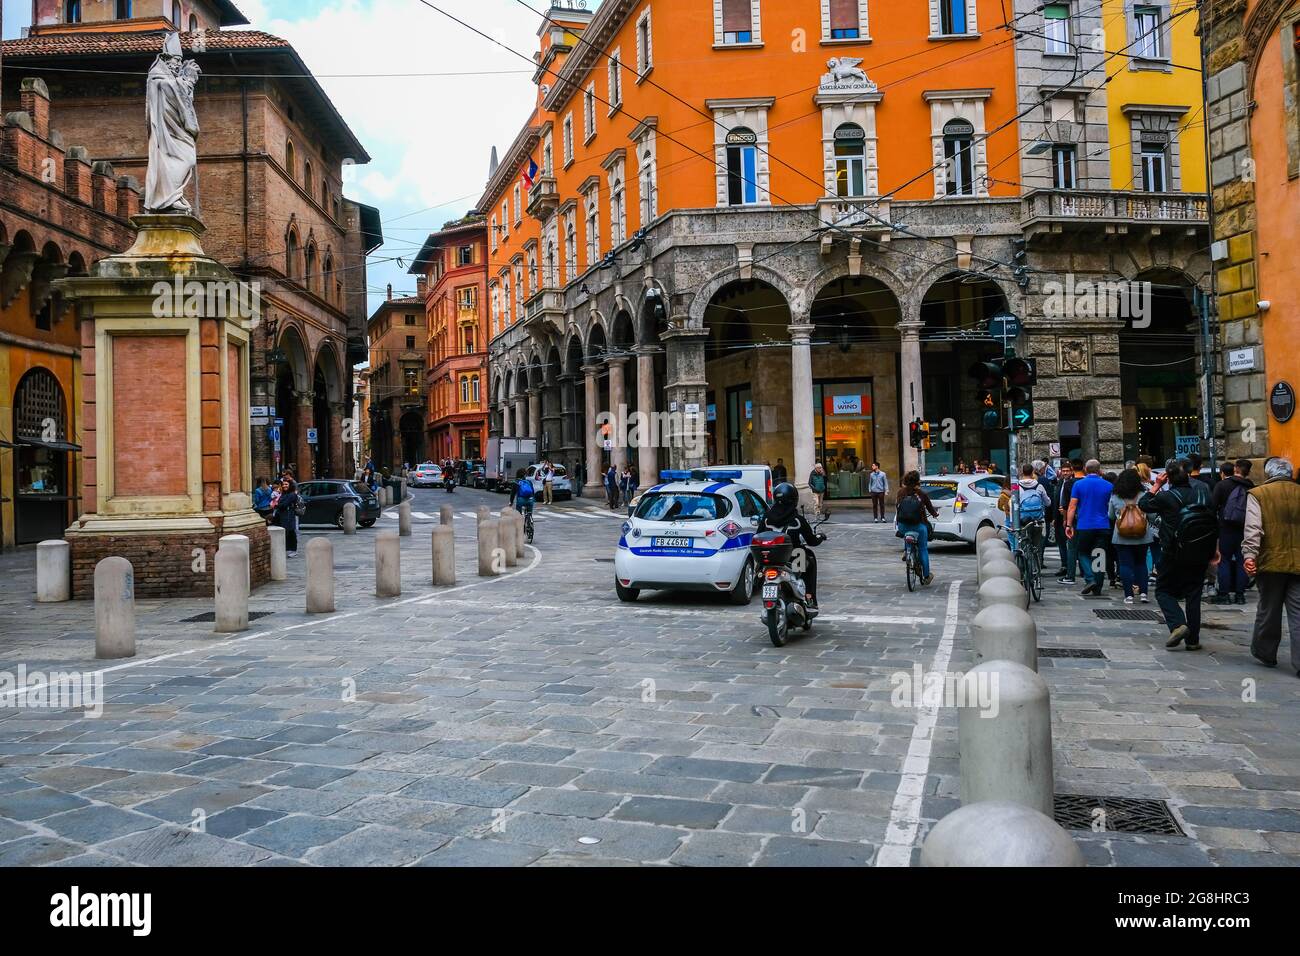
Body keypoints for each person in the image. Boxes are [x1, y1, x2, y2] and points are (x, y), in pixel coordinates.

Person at [1140, 461, 1219, 651]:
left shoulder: (1167, 497)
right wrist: (1215, 548)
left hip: (1173, 552)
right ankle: (1193, 640)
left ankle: (1177, 624)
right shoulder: (1204, 493)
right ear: (1189, 476)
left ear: (1168, 477)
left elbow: (1144, 504)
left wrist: (1156, 485)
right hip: (1200, 551)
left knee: (1163, 590)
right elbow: (1214, 521)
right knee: (1194, 595)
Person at [1242, 457, 1300, 674]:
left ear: (1268, 474)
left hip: (1270, 562)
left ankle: (1265, 651)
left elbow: (1253, 528)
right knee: (1299, 613)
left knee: (1268, 609)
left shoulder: (1258, 494)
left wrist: (1249, 555)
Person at [759, 482, 826, 607]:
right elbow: (811, 541)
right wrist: (820, 537)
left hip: (770, 558)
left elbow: (758, 535)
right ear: (793, 499)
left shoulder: (767, 518)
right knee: (809, 561)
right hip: (794, 556)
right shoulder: (797, 520)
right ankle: (809, 597)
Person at [1066, 460, 1113, 598]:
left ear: (1086, 469)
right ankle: (1098, 586)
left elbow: (1072, 506)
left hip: (1085, 524)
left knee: (1083, 553)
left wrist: (1069, 524)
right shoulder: (1109, 485)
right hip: (1103, 524)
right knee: (1099, 555)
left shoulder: (1078, 484)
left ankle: (1090, 578)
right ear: (1099, 470)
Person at [1211, 459, 1254, 605]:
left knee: (1224, 560)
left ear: (1235, 469)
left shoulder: (1222, 485)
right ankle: (1240, 595)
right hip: (1245, 528)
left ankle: (1224, 594)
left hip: (1226, 528)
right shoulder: (1251, 487)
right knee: (1242, 560)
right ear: (1248, 471)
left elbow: (1212, 506)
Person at [1109, 468, 1154, 605]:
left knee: (1125, 564)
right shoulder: (1143, 494)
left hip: (1121, 536)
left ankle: (1128, 595)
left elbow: (1110, 515)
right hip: (1142, 535)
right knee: (1141, 564)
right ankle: (1144, 593)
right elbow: (1152, 515)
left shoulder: (1116, 495)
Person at [896, 471, 940, 586]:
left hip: (902, 526)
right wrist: (935, 514)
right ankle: (926, 576)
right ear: (917, 481)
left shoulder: (900, 492)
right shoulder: (921, 494)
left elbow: (898, 507)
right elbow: (931, 509)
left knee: (906, 534)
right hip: (918, 526)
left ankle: (907, 551)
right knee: (923, 549)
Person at [1014, 464, 1051, 560]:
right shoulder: (1039, 486)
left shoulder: (1016, 486)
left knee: (1022, 543)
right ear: (1032, 472)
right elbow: (1048, 503)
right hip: (1037, 519)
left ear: (1022, 472)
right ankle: (1037, 567)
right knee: (1037, 544)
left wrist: (1012, 520)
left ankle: (1024, 565)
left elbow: (1012, 503)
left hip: (1022, 520)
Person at [276, 478, 300, 558]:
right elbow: (280, 503)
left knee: (291, 532)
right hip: (283, 515)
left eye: (286, 484)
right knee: (285, 532)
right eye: (283, 484)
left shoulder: (292, 494)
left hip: (289, 516)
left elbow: (284, 504)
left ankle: (293, 550)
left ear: (290, 485)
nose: (284, 486)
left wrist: (277, 505)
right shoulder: (283, 494)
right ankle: (287, 549)